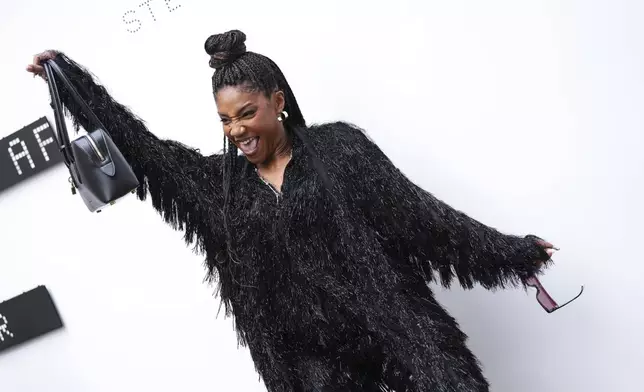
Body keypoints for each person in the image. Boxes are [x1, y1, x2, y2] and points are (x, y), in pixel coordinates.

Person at [27, 29, 556, 392]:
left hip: (398, 326)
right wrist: (69, 83)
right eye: (225, 121)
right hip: (313, 366)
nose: (237, 131)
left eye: (247, 114)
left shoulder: (342, 150)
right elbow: (143, 150)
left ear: (278, 101)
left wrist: (514, 254)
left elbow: (423, 218)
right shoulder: (219, 188)